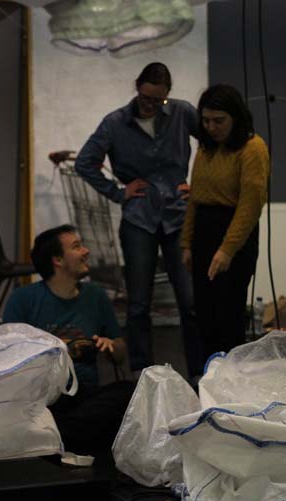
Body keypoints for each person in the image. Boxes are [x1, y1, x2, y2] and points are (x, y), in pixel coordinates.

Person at [50, 62, 203, 380]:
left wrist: (200, 185)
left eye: (158, 100)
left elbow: (213, 143)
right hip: (139, 219)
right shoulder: (115, 122)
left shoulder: (182, 112)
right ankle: (141, 373)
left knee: (190, 302)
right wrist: (118, 193)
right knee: (138, 303)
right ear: (137, 87)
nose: (150, 106)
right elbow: (86, 162)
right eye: (146, 98)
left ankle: (199, 372)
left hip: (178, 216)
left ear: (168, 95)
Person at [3, 224, 134, 457]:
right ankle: (68, 437)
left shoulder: (96, 296)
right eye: (76, 247)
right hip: (43, 398)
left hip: (85, 396)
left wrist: (111, 346)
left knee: (131, 392)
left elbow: (120, 354)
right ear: (58, 260)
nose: (86, 251)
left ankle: (54, 437)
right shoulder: (23, 299)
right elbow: (8, 358)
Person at [180, 84, 269, 362]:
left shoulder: (252, 148)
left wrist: (228, 249)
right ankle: (208, 374)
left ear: (235, 118)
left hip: (233, 233)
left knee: (228, 313)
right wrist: (186, 242)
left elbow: (250, 204)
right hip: (204, 231)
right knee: (205, 313)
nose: (211, 127)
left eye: (219, 121)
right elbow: (196, 198)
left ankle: (231, 376)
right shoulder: (206, 148)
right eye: (206, 121)